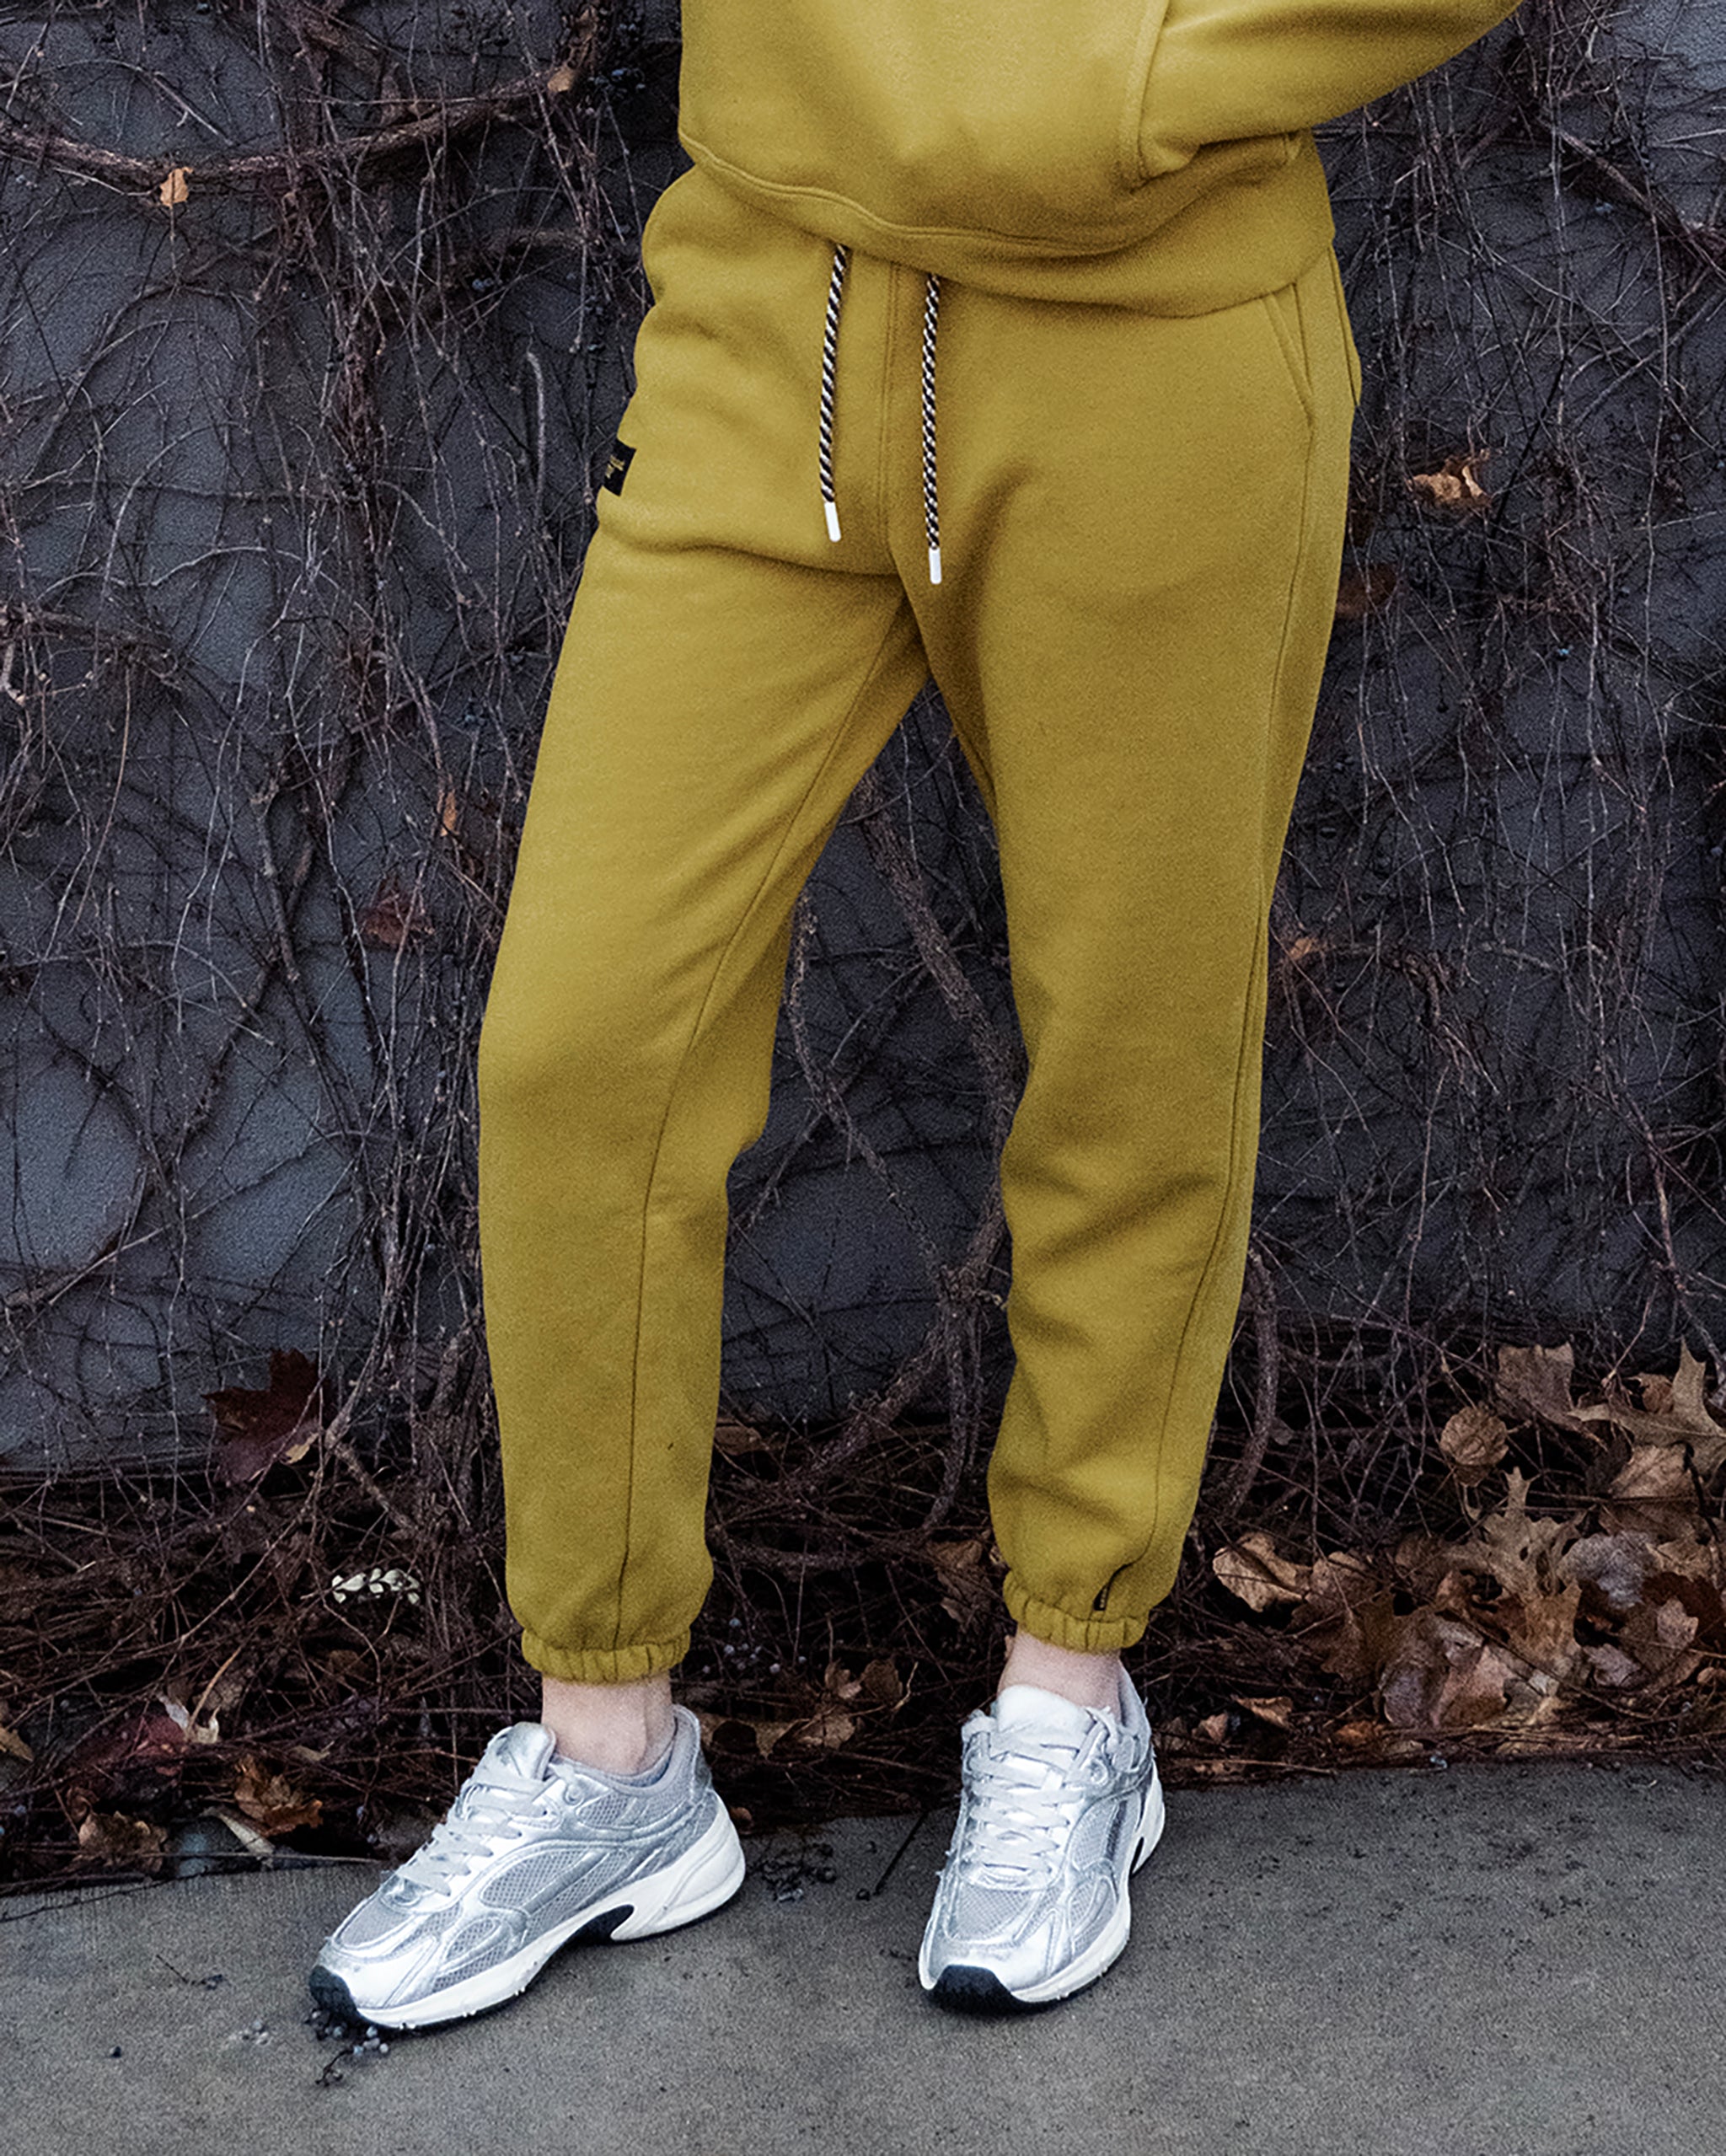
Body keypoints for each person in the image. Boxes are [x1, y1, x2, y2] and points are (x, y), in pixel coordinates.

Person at [310, 0, 1520, 2029]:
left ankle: (1072, 1693)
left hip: (1159, 350)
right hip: (766, 308)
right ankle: (609, 1756)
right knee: (581, 1047)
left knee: (1131, 1050)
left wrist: (1123, 87)